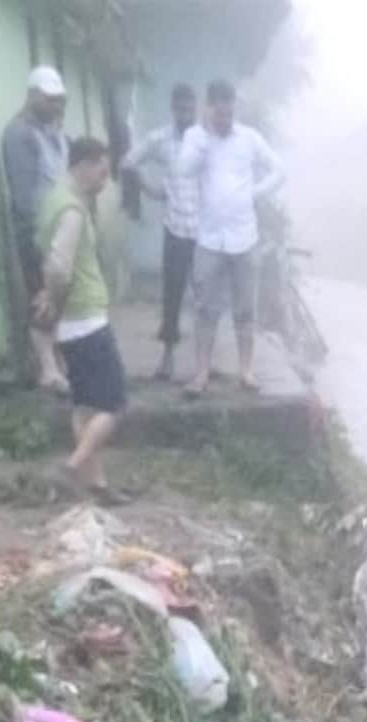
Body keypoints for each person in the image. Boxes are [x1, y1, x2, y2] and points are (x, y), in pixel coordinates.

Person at [36, 137, 130, 506]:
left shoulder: (54, 200)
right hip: (86, 319)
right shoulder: (73, 210)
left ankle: (97, 485)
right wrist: (55, 298)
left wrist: (49, 298)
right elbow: (60, 266)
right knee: (115, 404)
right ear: (84, 166)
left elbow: (51, 261)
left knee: (86, 408)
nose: (104, 182)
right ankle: (72, 469)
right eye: (102, 173)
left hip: (71, 325)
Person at [176, 80, 285, 396]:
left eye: (229, 112)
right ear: (209, 108)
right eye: (219, 113)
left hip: (244, 238)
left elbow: (280, 170)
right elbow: (182, 169)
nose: (224, 119)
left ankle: (247, 371)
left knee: (245, 309)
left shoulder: (249, 139)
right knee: (205, 309)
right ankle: (201, 374)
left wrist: (254, 193)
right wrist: (204, 139)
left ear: (234, 108)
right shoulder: (195, 137)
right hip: (209, 239)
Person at [120, 83, 200, 380]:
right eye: (181, 109)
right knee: (173, 294)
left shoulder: (204, 140)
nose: (186, 114)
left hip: (205, 232)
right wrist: (152, 190)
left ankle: (204, 363)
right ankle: (167, 358)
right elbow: (128, 162)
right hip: (176, 229)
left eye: (191, 108)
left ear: (196, 108)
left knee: (206, 296)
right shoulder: (161, 139)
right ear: (173, 109)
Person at [1, 66, 71, 394]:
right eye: (50, 100)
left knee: (59, 297)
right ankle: (47, 369)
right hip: (38, 230)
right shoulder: (19, 135)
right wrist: (38, 236)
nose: (56, 106)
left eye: (59, 101)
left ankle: (58, 362)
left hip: (61, 227)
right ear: (32, 97)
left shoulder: (53, 130)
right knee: (42, 297)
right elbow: (26, 195)